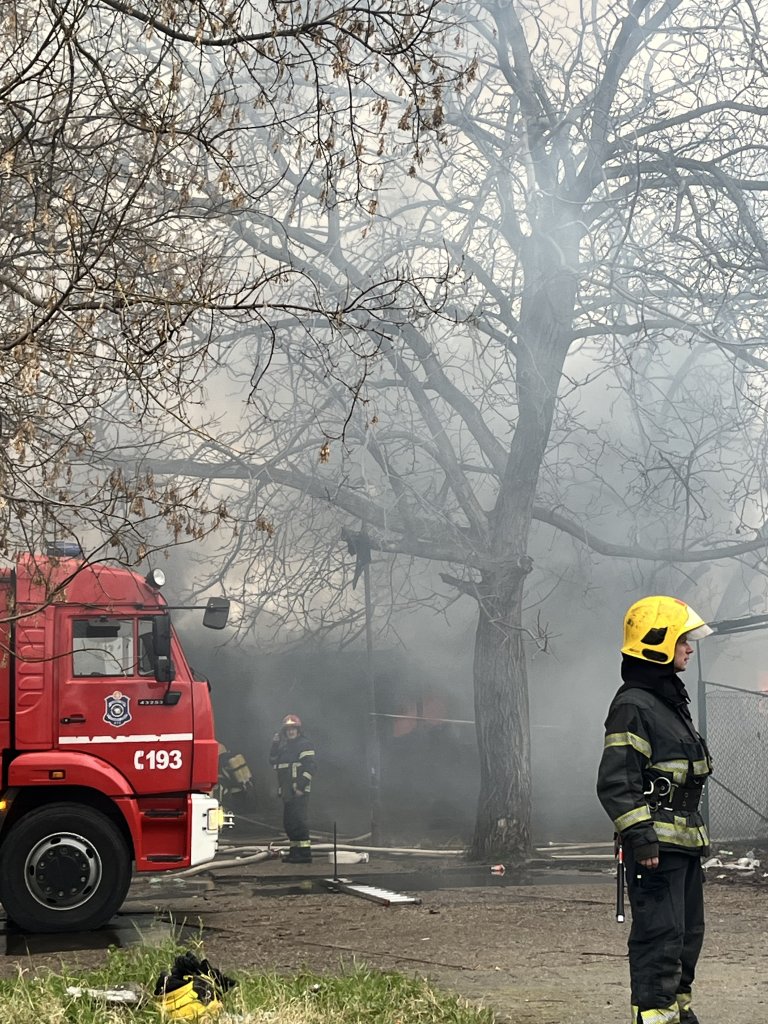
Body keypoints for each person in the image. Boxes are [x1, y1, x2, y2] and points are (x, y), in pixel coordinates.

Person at [597, 595, 714, 1024]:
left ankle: (679, 1014)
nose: (689, 648)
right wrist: (642, 839)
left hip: (682, 844)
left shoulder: (667, 702)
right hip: (657, 848)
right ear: (657, 643)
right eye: (683, 639)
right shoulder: (634, 705)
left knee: (686, 938)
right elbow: (617, 781)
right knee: (660, 938)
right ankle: (654, 1016)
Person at [269, 713, 316, 863]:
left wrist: (301, 787)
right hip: (287, 792)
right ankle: (295, 852)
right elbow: (273, 761)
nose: (291, 732)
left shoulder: (304, 745)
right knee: (289, 824)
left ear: (298, 730)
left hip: (298, 792)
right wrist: (275, 745)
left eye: (293, 729)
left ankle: (304, 854)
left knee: (299, 823)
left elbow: (310, 768)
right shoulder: (284, 748)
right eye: (288, 729)